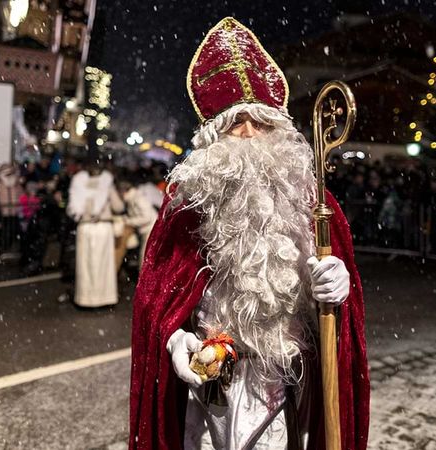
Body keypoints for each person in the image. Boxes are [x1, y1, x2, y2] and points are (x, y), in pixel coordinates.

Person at [128, 18, 368, 450]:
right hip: (217, 385)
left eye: (261, 123)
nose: (249, 135)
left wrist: (338, 290)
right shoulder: (188, 204)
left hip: (291, 378)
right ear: (212, 137)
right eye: (235, 123)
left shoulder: (313, 202)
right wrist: (175, 338)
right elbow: (158, 298)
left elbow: (338, 313)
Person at [66, 157, 123, 307]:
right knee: (103, 265)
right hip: (103, 228)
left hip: (85, 228)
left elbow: (72, 210)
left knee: (86, 265)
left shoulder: (78, 184)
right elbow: (118, 207)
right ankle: (104, 298)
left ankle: (86, 299)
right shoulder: (106, 185)